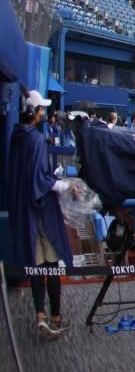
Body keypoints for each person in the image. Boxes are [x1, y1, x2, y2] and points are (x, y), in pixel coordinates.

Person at [8, 90, 72, 338]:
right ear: (33, 113)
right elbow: (39, 181)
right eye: (41, 109)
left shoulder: (17, 137)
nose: (44, 113)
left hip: (25, 213)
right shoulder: (35, 139)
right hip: (42, 213)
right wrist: (63, 185)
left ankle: (40, 314)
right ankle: (55, 316)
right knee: (52, 263)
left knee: (37, 266)